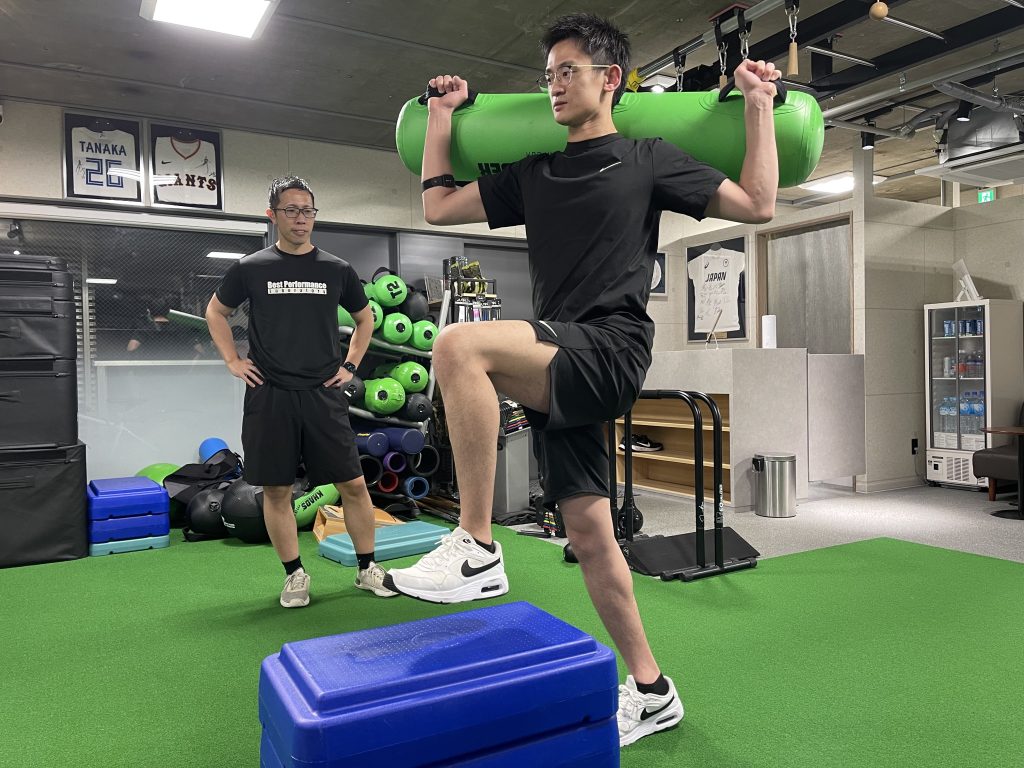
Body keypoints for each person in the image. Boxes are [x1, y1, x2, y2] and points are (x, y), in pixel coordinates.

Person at [384, 13, 779, 747]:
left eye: (568, 71)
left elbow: (758, 205)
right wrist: (440, 114)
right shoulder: (534, 173)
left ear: (611, 79)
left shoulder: (647, 159)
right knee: (591, 534)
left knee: (459, 345)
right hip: (560, 356)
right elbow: (437, 204)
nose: (555, 86)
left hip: (611, 347)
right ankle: (654, 691)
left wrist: (757, 103)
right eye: (548, 76)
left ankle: (476, 543)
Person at [206, 176, 397, 607]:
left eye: (307, 211)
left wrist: (350, 366)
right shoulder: (251, 268)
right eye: (291, 210)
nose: (300, 219)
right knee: (276, 490)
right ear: (272, 215)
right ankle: (294, 574)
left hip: (322, 393)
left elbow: (365, 319)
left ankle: (367, 568)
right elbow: (215, 311)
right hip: (269, 393)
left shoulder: (336, 269)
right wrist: (233, 361)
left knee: (353, 484)